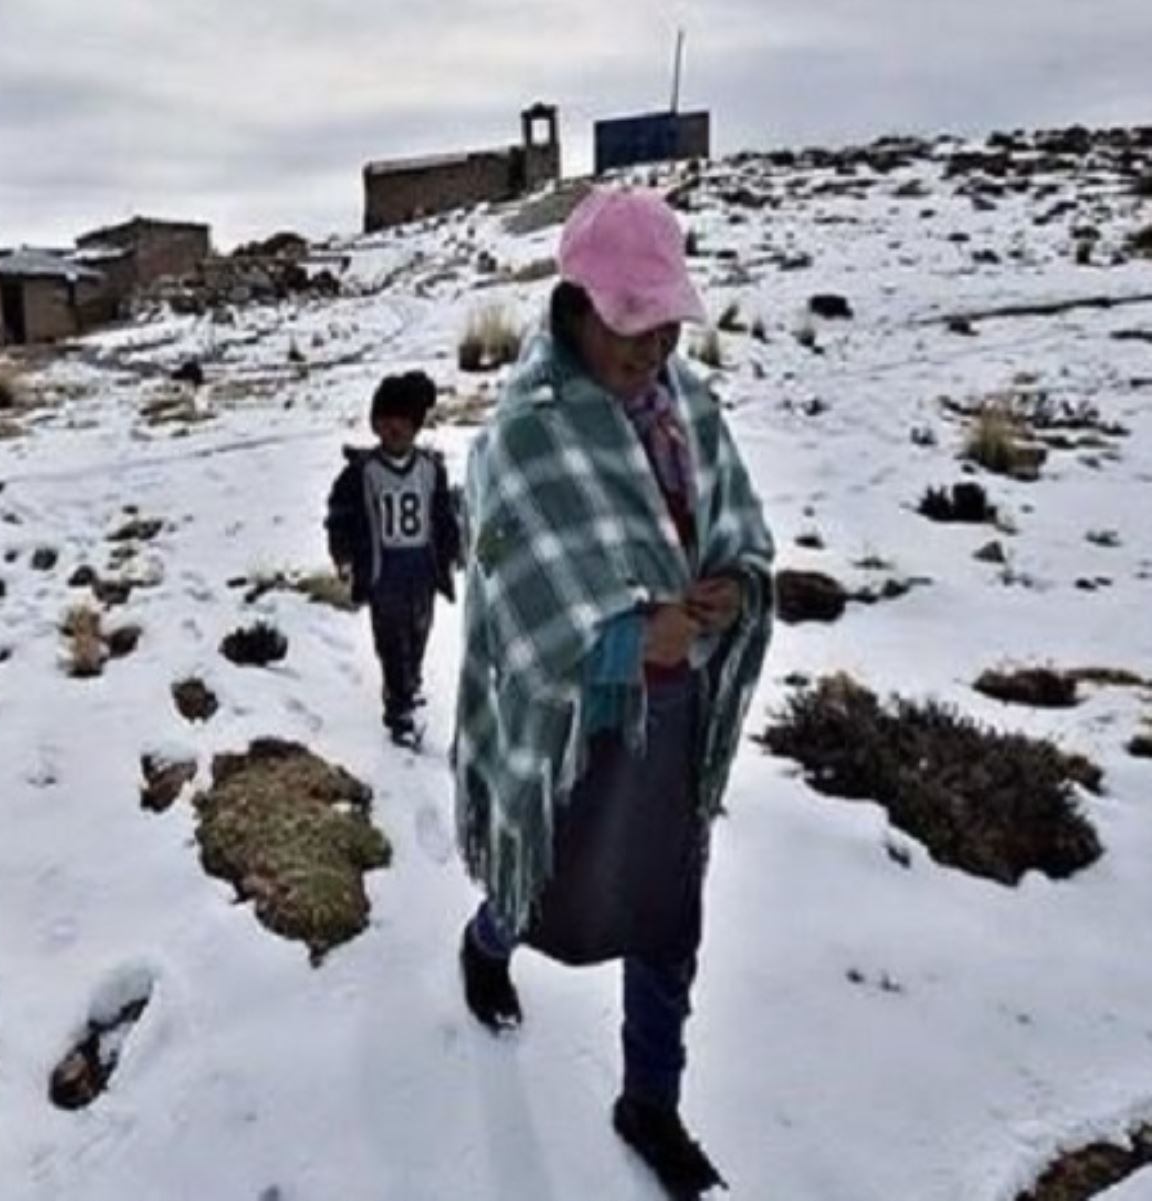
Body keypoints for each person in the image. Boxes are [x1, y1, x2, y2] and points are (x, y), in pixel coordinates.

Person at [453, 189, 774, 1199]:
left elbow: (735, 525)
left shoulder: (689, 408)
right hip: (578, 726)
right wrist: (634, 635)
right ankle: (486, 938)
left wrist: (730, 586)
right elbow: (523, 607)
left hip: (675, 719)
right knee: (548, 873)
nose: (650, 347)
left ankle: (650, 1100)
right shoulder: (528, 436)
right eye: (631, 324)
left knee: (668, 911)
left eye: (666, 321)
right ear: (577, 306)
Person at [326, 371, 462, 746]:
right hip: (383, 570)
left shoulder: (430, 470)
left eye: (401, 418)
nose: (391, 427)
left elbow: (443, 517)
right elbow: (340, 517)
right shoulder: (361, 473)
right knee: (390, 640)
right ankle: (399, 709)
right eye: (383, 419)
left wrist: (452, 551)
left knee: (418, 632)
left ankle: (410, 681)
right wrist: (344, 555)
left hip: (421, 567)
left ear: (416, 424)